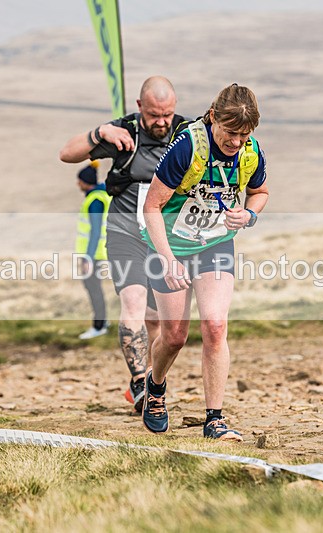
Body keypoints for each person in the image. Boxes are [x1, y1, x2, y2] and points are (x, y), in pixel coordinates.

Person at [142, 83, 269, 441]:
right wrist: (167, 260)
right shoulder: (188, 147)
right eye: (230, 133)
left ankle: (214, 419)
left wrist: (249, 215)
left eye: (244, 135)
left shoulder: (250, 152)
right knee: (175, 336)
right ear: (214, 117)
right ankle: (156, 386)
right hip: (169, 245)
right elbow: (151, 207)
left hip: (215, 243)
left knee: (215, 326)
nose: (236, 143)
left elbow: (260, 193)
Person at [59, 76, 188, 412]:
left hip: (167, 237)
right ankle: (140, 383)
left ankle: (151, 379)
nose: (161, 123)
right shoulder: (124, 132)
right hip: (125, 230)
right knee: (133, 303)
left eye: (168, 115)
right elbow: (67, 153)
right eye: (154, 115)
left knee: (160, 321)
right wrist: (99, 133)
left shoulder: (188, 135)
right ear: (140, 106)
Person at [75, 161, 111, 339]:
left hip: (94, 254)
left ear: (85, 181)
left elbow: (95, 231)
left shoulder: (95, 201)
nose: (77, 184)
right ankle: (103, 322)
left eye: (79, 180)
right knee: (95, 288)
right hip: (97, 253)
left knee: (93, 288)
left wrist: (87, 258)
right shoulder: (100, 196)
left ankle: (99, 325)